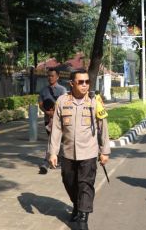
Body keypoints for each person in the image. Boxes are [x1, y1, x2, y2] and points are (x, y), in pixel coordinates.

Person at [48, 69, 110, 230]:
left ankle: (83, 218)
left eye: (87, 82)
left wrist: (105, 151)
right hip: (68, 153)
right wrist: (53, 152)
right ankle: (76, 204)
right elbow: (56, 129)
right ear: (71, 84)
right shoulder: (62, 101)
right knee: (69, 182)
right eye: (81, 82)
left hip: (88, 152)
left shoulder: (94, 102)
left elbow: (103, 128)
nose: (85, 85)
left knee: (85, 185)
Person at [38, 68, 67, 174]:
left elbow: (64, 104)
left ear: (57, 77)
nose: (50, 78)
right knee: (54, 140)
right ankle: (57, 159)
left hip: (59, 121)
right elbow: (40, 104)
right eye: (48, 76)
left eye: (52, 76)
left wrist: (54, 113)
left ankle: (46, 162)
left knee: (53, 139)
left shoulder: (62, 90)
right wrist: (46, 112)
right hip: (47, 120)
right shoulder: (43, 90)